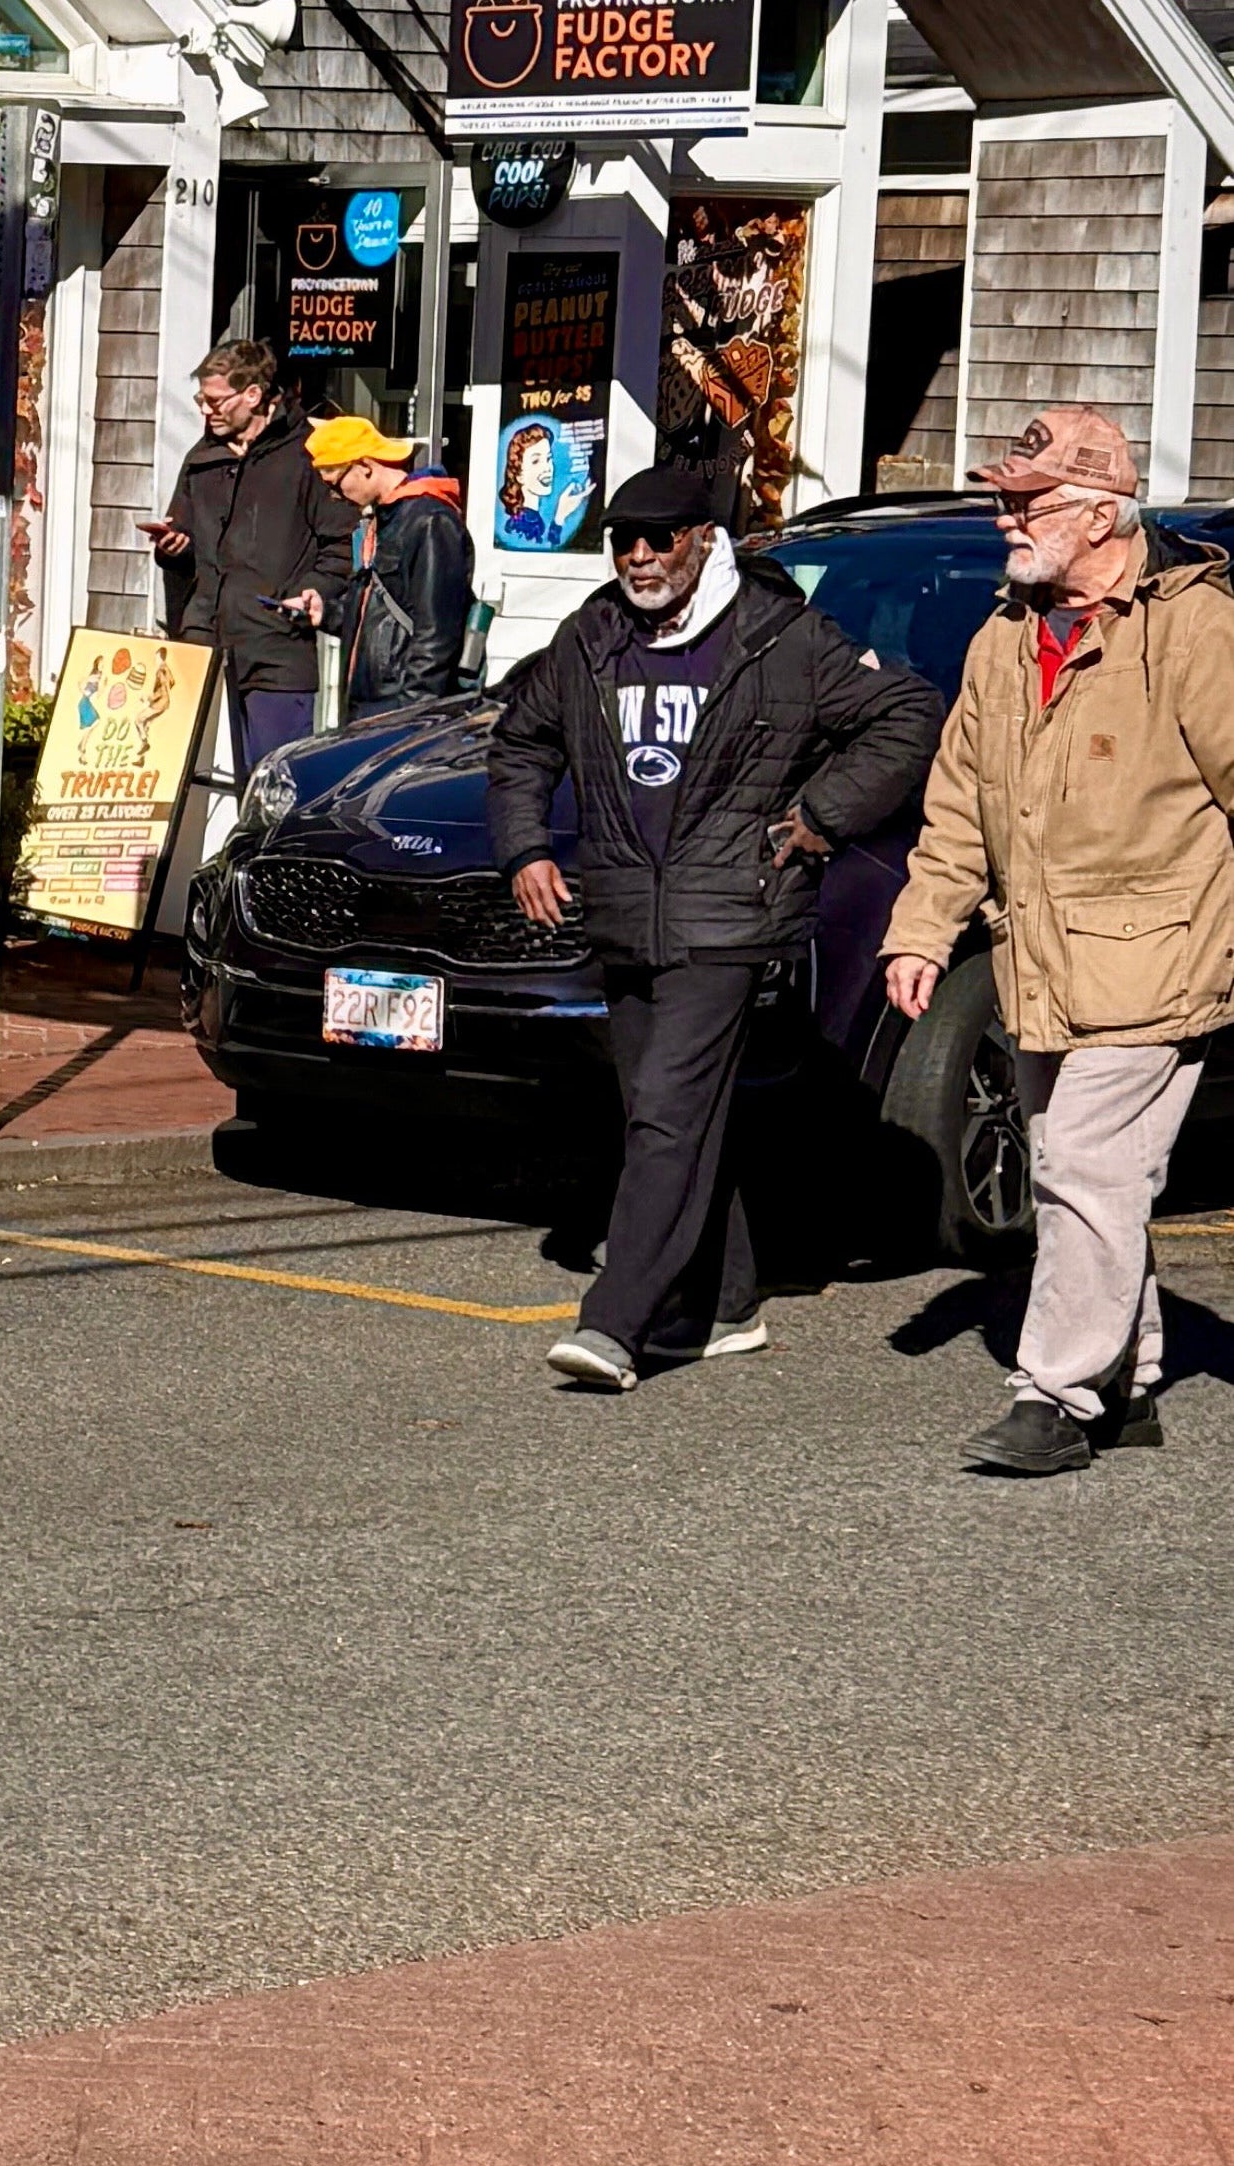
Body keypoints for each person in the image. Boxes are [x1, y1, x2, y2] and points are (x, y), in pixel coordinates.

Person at [487, 460, 942, 1390]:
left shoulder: (780, 636)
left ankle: (618, 1323)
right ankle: (728, 1303)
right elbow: (522, 741)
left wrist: (824, 815)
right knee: (670, 1118)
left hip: (730, 916)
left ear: (704, 540)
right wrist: (525, 848)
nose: (639, 556)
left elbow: (906, 712)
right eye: (623, 540)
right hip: (625, 913)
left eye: (659, 539)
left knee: (667, 1113)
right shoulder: (592, 635)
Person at [880, 407, 1234, 1474]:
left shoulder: (1192, 628)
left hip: (1158, 956)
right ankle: (1128, 1381)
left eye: (1024, 502)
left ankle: (1057, 1396)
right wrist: (921, 930)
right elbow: (958, 805)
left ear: (1096, 511)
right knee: (1085, 1176)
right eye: (1004, 499)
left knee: (1084, 1162)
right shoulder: (1004, 637)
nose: (1005, 519)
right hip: (1039, 959)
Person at [155, 340, 356, 770]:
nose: (205, 410)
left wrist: (311, 594)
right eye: (201, 400)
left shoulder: (306, 456)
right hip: (202, 640)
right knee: (183, 776)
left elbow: (341, 547)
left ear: (253, 395)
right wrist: (174, 549)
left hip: (275, 649)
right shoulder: (202, 456)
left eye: (214, 401)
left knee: (273, 780)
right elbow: (184, 537)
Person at [305, 414, 472, 713]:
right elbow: (381, 616)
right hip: (371, 703)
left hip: (399, 706)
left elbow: (436, 633)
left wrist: (412, 714)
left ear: (365, 466)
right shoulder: (385, 518)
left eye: (336, 484)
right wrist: (327, 613)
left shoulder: (430, 521)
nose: (335, 496)